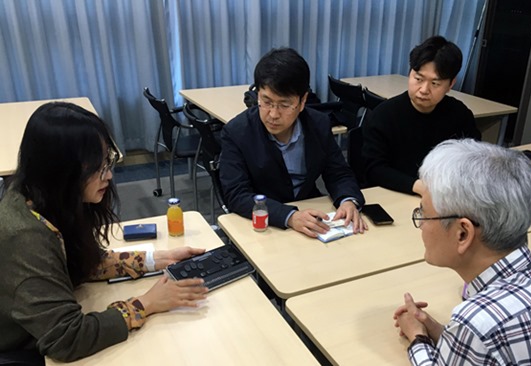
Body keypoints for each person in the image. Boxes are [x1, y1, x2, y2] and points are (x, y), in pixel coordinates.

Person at [0, 102, 209, 363]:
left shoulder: (41, 197)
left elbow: (78, 261)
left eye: (107, 162)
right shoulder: (25, 238)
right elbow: (67, 338)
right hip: (22, 349)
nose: (109, 175)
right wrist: (146, 303)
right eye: (97, 168)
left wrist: (157, 259)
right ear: (62, 172)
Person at [393, 139, 531, 365]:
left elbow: (481, 335)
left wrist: (418, 336)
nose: (421, 223)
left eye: (423, 212)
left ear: (463, 233)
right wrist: (442, 331)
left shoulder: (477, 323)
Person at [220, 47, 367, 238]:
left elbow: (338, 172)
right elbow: (237, 195)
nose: (273, 114)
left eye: (284, 105)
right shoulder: (237, 132)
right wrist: (289, 216)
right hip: (264, 224)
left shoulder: (318, 123)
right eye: (266, 101)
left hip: (312, 215)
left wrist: (348, 200)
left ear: (303, 100)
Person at [362, 35, 481, 195]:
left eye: (435, 83)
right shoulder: (384, 115)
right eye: (418, 78)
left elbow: (473, 160)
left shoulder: (460, 114)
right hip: (396, 194)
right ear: (410, 74)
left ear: (451, 84)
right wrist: (421, 188)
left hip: (446, 196)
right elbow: (374, 168)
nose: (424, 90)